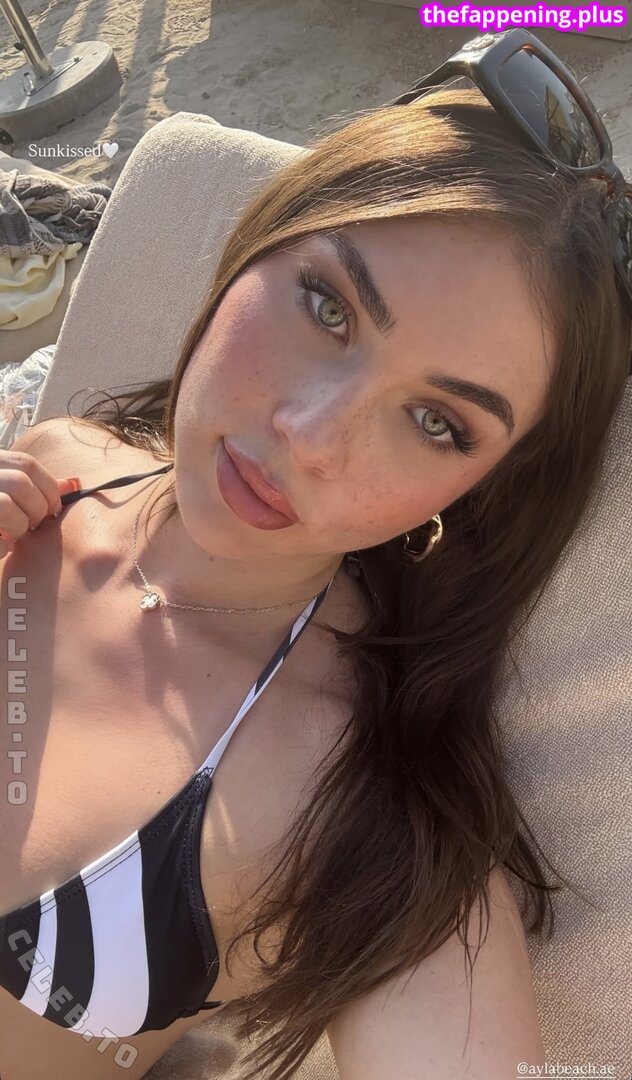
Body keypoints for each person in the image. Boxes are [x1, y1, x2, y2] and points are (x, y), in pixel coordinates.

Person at [0, 27, 630, 1080]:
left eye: (436, 423)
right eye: (328, 305)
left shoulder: (357, 816)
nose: (309, 434)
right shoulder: (60, 464)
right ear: (262, 240)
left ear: (478, 488)